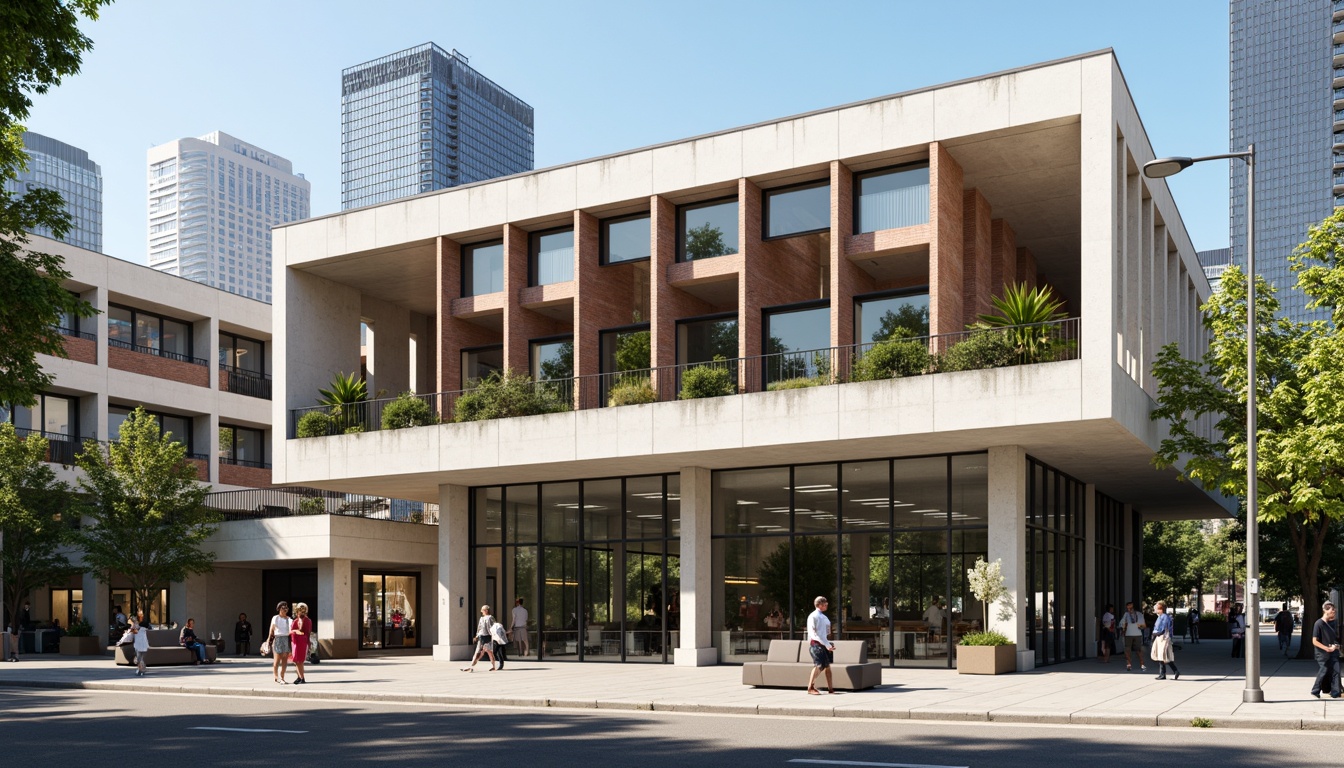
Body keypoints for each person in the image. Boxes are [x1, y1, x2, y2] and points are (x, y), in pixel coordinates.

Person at [805, 595, 837, 695]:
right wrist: (827, 644)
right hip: (816, 644)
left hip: (823, 643)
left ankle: (830, 688)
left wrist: (828, 644)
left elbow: (826, 633)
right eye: (824, 604)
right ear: (819, 605)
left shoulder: (824, 617)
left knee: (827, 666)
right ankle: (810, 687)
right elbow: (814, 633)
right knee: (819, 665)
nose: (826, 605)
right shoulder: (813, 616)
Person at [1311, 601, 1341, 699]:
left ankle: (1336, 692)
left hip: (1333, 653)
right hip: (1323, 654)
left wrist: (1335, 646)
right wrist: (1326, 648)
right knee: (1324, 670)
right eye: (1332, 610)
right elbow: (1314, 641)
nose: (1334, 612)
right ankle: (1315, 690)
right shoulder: (1319, 623)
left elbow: (1335, 640)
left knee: (1336, 671)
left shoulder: (1331, 624)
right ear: (1325, 610)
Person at [461, 604, 498, 672]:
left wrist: (494, 636)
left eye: (483, 610)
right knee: (477, 652)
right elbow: (479, 628)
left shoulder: (490, 618)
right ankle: (471, 666)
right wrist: (477, 636)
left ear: (486, 610)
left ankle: (493, 666)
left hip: (488, 637)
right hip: (481, 637)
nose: (481, 612)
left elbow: (493, 628)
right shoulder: (482, 618)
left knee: (489, 652)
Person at [1150, 601, 1180, 680]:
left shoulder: (1164, 617)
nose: (1155, 609)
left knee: (1163, 656)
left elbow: (1162, 629)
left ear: (1161, 609)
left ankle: (1170, 672)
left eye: (1156, 608)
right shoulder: (1161, 616)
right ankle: (1164, 674)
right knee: (1161, 656)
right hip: (1160, 638)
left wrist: (1154, 634)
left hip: (1163, 638)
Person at [267, 601, 293, 685]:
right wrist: (268, 640)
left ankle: (282, 677)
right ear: (279, 609)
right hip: (277, 638)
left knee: (285, 660)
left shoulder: (289, 619)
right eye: (283, 608)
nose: (285, 610)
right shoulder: (275, 618)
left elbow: (290, 630)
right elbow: (272, 629)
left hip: (285, 638)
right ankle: (275, 676)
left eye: (286, 608)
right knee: (277, 660)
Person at [1118, 601, 1147, 672]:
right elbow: (1121, 624)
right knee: (1127, 650)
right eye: (1128, 608)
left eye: (1131, 607)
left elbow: (1144, 625)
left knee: (1138, 650)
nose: (1129, 609)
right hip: (1128, 634)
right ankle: (1129, 664)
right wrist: (1123, 625)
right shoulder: (1126, 614)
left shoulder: (1139, 614)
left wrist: (1140, 626)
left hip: (1137, 634)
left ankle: (1142, 664)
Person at [290, 603, 311, 685]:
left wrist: (308, 643)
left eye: (303, 610)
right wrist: (295, 631)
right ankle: (299, 676)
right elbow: (291, 630)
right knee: (296, 660)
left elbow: (306, 631)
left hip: (302, 642)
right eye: (299, 610)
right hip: (295, 642)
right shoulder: (295, 621)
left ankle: (302, 677)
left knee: (300, 661)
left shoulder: (307, 620)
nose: (300, 612)